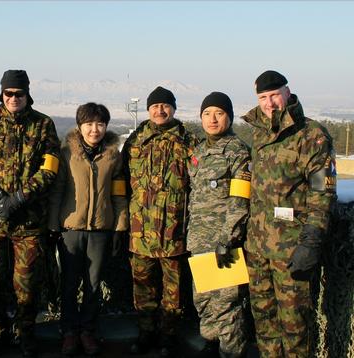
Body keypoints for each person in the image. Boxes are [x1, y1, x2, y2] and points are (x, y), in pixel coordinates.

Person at [0, 69, 60, 358]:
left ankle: (25, 332)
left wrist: (20, 198)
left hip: (28, 219)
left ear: (27, 94)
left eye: (19, 93)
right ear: (2, 94)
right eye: (9, 93)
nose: (14, 98)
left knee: (27, 283)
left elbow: (50, 167)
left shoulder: (43, 125)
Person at [243, 70, 336, 357]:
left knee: (295, 327)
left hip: (291, 251)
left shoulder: (312, 135)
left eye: (274, 95)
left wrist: (310, 243)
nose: (269, 103)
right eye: (262, 98)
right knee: (264, 323)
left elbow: (322, 193)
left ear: (287, 92)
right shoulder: (259, 134)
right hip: (258, 249)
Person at [122, 86, 198, 356]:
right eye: (155, 106)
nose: (160, 110)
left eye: (165, 106)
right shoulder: (135, 141)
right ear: (148, 110)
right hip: (140, 232)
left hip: (173, 231)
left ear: (174, 109)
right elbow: (121, 182)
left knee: (173, 292)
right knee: (143, 289)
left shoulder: (188, 142)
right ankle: (146, 333)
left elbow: (198, 186)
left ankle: (168, 336)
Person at [47, 103, 128, 356]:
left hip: (100, 229)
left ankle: (88, 331)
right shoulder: (66, 152)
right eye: (89, 124)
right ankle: (69, 331)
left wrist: (119, 227)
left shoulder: (114, 156)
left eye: (100, 124)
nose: (95, 130)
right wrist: (53, 225)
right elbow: (58, 190)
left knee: (94, 283)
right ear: (80, 126)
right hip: (71, 228)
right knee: (70, 283)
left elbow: (119, 194)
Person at [187, 92, 250, 357]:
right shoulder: (199, 151)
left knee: (227, 305)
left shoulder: (238, 153)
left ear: (229, 116)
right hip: (199, 241)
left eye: (219, 113)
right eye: (207, 114)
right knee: (204, 301)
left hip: (224, 244)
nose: (212, 119)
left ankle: (232, 353)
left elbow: (239, 200)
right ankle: (211, 345)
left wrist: (228, 239)